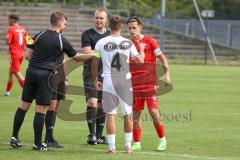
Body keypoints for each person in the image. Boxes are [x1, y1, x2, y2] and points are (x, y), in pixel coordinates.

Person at [10, 11, 93, 151]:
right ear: (60, 23)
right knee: (41, 109)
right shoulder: (61, 40)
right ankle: (37, 144)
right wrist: (93, 55)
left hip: (31, 72)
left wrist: (38, 63)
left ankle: (14, 136)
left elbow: (27, 55)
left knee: (23, 105)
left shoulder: (38, 34)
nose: (65, 26)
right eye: (65, 23)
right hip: (46, 76)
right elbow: (77, 57)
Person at [91, 16, 145, 154]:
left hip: (109, 81)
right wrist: (142, 50)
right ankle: (128, 146)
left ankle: (112, 147)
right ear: (121, 27)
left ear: (109, 27)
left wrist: (94, 79)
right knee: (128, 115)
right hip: (125, 81)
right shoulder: (128, 43)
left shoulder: (101, 42)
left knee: (111, 115)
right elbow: (140, 61)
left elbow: (95, 62)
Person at [127, 16, 171, 151]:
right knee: (136, 114)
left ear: (140, 27)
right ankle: (137, 143)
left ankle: (162, 140)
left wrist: (167, 75)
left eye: (134, 28)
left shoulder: (150, 41)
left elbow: (162, 58)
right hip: (135, 85)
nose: (132, 31)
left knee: (153, 112)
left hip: (150, 83)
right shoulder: (127, 44)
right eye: (129, 29)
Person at [81, 8, 110, 145]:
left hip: (107, 74)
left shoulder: (111, 35)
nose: (99, 20)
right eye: (97, 18)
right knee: (92, 102)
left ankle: (99, 135)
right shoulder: (87, 34)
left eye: (101, 18)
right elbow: (87, 51)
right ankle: (91, 134)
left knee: (102, 105)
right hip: (90, 73)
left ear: (106, 20)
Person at [4, 14, 26, 96]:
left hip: (14, 54)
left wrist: (6, 39)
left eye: (9, 19)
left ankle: (27, 92)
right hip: (21, 53)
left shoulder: (11, 29)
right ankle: (7, 91)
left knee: (17, 73)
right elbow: (26, 41)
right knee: (11, 72)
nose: (8, 21)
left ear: (13, 20)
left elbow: (8, 42)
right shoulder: (23, 29)